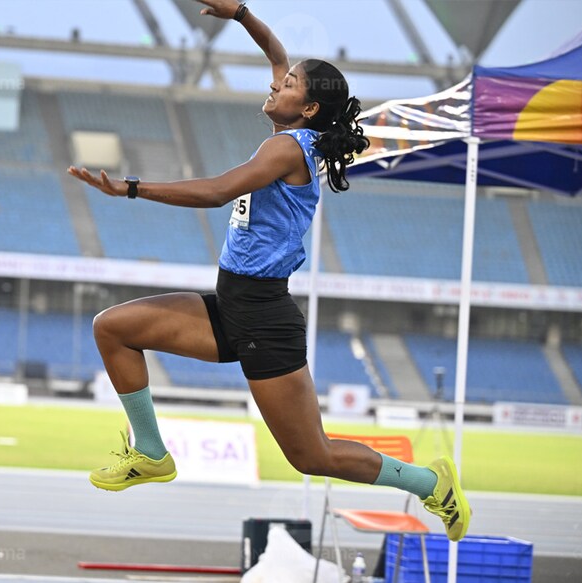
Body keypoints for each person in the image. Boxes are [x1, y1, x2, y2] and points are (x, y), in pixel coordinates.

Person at [66, 0, 470, 542]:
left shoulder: (287, 149)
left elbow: (216, 191)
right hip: (230, 302)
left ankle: (430, 483)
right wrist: (242, 14)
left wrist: (130, 188)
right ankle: (151, 452)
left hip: (263, 315)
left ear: (306, 110)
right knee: (112, 327)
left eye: (289, 85)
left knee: (311, 455)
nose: (277, 84)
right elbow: (278, 55)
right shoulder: (297, 125)